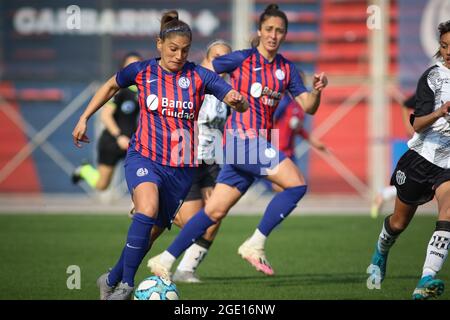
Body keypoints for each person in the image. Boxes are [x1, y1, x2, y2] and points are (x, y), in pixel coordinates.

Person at [72, 10, 248, 300]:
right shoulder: (142, 71)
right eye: (173, 49)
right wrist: (84, 118)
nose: (179, 55)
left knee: (149, 235)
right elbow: (111, 85)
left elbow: (232, 98)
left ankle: (111, 278)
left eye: (185, 50)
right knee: (147, 209)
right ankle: (127, 285)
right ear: (159, 44)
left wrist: (238, 102)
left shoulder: (199, 76)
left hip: (180, 168)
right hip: (144, 157)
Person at [147, 3, 328, 279]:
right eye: (269, 29)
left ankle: (165, 259)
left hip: (245, 150)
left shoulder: (287, 70)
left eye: (279, 31)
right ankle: (255, 243)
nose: (273, 35)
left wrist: (316, 92)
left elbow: (309, 106)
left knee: (213, 212)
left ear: (284, 35)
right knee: (297, 184)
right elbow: (202, 68)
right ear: (260, 30)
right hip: (241, 140)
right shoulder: (242, 58)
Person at [367, 20, 450, 300]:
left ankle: (425, 281)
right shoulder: (432, 78)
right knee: (399, 223)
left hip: (448, 166)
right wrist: (440, 112)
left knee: (448, 214)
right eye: (444, 46)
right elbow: (416, 124)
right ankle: (381, 250)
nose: (448, 51)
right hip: (420, 159)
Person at [171, 40, 232, 283]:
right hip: (186, 158)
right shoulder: (193, 80)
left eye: (226, 59)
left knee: (216, 214)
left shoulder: (226, 89)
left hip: (212, 160)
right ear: (207, 58)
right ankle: (157, 212)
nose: (222, 63)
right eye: (217, 57)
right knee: (193, 222)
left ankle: (186, 269)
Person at [72, 52, 142, 191]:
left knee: (141, 176)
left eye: (137, 64)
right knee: (102, 185)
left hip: (131, 142)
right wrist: (119, 137)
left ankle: (140, 208)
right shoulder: (119, 89)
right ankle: (85, 170)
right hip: (111, 141)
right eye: (130, 64)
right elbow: (105, 116)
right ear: (123, 67)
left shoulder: (143, 89)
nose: (134, 68)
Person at [269, 92, 327, 192]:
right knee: (288, 184)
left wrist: (315, 143)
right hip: (277, 149)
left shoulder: (299, 108)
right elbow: (269, 121)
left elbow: (299, 129)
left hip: (289, 151)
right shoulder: (283, 102)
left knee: (296, 184)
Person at [370, 94, 416, 218]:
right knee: (414, 185)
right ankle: (383, 195)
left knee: (417, 186)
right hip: (429, 148)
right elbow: (406, 104)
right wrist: (409, 128)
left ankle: (383, 195)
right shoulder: (431, 86)